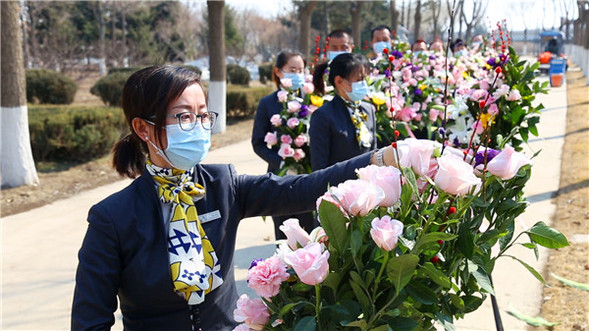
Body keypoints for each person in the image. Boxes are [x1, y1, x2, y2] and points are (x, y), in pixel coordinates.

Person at [250, 50, 316, 241]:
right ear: (278, 72)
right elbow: (258, 143)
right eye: (292, 69)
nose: (297, 75)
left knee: (310, 233)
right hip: (279, 180)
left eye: (301, 70)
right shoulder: (268, 103)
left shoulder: (312, 101)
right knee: (284, 234)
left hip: (309, 177)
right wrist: (283, 163)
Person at [309, 53, 377, 172]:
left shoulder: (368, 110)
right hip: (338, 186)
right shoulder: (323, 115)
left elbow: (373, 153)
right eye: (359, 79)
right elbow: (319, 167)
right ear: (339, 81)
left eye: (364, 79)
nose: (363, 84)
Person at [313, 30, 354, 96]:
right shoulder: (320, 72)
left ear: (351, 48)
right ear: (327, 48)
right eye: (334, 48)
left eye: (344, 48)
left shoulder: (358, 72)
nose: (339, 51)